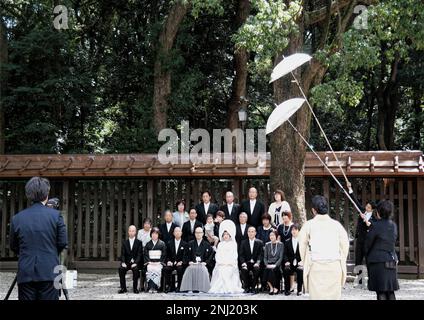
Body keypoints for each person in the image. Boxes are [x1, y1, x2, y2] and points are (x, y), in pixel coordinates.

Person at [9, 177, 67, 300]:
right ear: (47, 194)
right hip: (49, 270)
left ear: (28, 194)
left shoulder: (17, 218)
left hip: (26, 271)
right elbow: (62, 243)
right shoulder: (56, 216)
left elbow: (13, 246)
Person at [298, 195, 349, 300]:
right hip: (334, 266)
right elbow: (345, 245)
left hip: (316, 267)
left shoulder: (308, 225)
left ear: (313, 210)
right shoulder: (336, 225)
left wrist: (306, 261)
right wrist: (340, 259)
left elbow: (302, 247)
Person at [365, 200, 399, 300]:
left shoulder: (375, 225)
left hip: (377, 261)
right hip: (391, 259)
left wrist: (366, 254)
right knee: (390, 291)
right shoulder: (393, 225)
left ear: (378, 212)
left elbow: (368, 243)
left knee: (381, 291)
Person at [346, 181, 376, 267]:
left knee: (368, 260)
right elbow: (354, 201)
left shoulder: (374, 217)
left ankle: (371, 278)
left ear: (372, 210)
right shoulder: (363, 210)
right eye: (367, 206)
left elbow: (370, 225)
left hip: (368, 242)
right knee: (358, 260)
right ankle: (359, 279)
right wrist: (349, 188)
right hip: (360, 240)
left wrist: (365, 219)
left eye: (369, 207)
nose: (366, 208)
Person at [209, 220, 244, 294]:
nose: (225, 236)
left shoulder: (233, 244)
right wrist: (222, 263)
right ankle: (221, 288)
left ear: (230, 235)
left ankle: (229, 288)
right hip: (221, 264)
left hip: (230, 264)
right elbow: (217, 256)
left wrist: (228, 263)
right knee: (221, 270)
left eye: (227, 234)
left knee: (227, 270)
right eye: (224, 234)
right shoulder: (220, 244)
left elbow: (234, 256)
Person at [179, 227, 214, 293]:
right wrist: (189, 261)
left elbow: (210, 255)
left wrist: (206, 262)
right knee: (189, 269)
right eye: (197, 233)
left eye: (200, 233)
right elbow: (186, 255)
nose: (198, 234)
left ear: (203, 234)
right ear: (194, 234)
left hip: (202, 264)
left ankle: (202, 288)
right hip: (193, 264)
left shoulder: (207, 244)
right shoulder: (190, 243)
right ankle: (190, 288)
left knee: (203, 269)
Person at [118, 225, 143, 294]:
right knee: (121, 269)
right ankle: (123, 288)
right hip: (126, 262)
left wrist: (136, 262)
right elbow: (122, 254)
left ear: (135, 232)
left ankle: (135, 288)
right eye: (130, 231)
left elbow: (139, 254)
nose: (131, 232)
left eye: (133, 231)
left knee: (136, 269)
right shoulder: (124, 242)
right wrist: (123, 262)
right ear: (128, 232)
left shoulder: (139, 242)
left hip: (135, 262)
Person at [239, 226, 263, 293]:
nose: (251, 233)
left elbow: (260, 255)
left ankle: (253, 287)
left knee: (256, 269)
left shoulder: (260, 242)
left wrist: (257, 263)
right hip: (246, 263)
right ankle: (246, 287)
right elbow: (241, 254)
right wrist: (243, 262)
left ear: (255, 233)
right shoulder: (243, 242)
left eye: (252, 232)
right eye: (249, 231)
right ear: (247, 233)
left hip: (255, 263)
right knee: (243, 269)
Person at [163, 227, 188, 293]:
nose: (177, 233)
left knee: (180, 269)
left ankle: (179, 286)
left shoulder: (185, 244)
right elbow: (167, 254)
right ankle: (169, 286)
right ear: (173, 233)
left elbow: (186, 255)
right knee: (166, 269)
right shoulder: (169, 243)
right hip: (171, 263)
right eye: (176, 231)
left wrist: (182, 262)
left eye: (179, 231)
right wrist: (168, 261)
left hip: (180, 263)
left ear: (181, 233)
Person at [143, 227, 167, 292]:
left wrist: (159, 262)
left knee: (157, 269)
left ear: (158, 235)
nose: (154, 235)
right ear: (151, 235)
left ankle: (156, 287)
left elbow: (164, 254)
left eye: (156, 234)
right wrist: (149, 262)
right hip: (150, 263)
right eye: (153, 233)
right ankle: (150, 287)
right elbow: (145, 254)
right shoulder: (148, 244)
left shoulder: (162, 244)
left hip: (159, 263)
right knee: (150, 269)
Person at [283, 223, 303, 296]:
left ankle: (299, 290)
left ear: (299, 231)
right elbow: (285, 254)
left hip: (299, 262)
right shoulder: (287, 241)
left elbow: (304, 253)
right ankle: (287, 289)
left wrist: (302, 261)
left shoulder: (302, 241)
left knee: (300, 270)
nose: (294, 231)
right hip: (290, 262)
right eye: (292, 230)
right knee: (286, 270)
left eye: (295, 230)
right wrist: (287, 261)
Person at [263, 230, 284, 295]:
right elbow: (265, 257)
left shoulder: (281, 244)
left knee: (273, 270)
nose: (271, 237)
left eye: (273, 235)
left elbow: (281, 257)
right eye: (270, 235)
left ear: (276, 236)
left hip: (277, 265)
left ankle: (275, 287)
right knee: (267, 270)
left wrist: (275, 265)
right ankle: (272, 287)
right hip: (269, 264)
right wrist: (267, 265)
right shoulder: (267, 244)